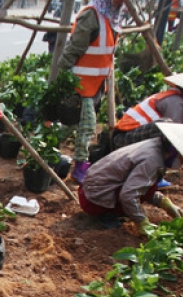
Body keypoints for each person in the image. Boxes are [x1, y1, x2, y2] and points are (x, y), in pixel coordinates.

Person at [78, 122, 183, 232]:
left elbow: (144, 186)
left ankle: (109, 212)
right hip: (93, 198)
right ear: (174, 152)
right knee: (135, 194)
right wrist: (142, 222)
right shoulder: (153, 160)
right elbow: (128, 194)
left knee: (146, 185)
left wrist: (164, 203)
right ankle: (106, 215)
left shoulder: (156, 145)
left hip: (92, 188)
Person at [57, 0, 126, 184]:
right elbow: (75, 47)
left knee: (71, 124)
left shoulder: (111, 17)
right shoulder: (92, 15)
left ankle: (45, 148)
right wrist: (61, 78)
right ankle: (80, 166)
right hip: (81, 82)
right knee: (87, 125)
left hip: (96, 84)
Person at [112, 71, 183, 150]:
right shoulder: (177, 102)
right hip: (124, 139)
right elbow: (175, 134)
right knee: (167, 127)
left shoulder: (171, 95)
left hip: (122, 135)